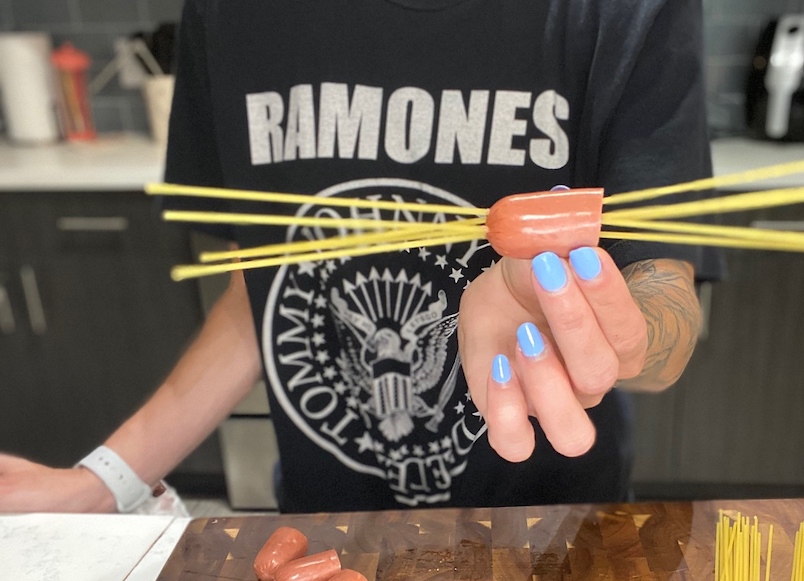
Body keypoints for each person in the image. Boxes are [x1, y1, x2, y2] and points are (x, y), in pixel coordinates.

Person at [0, 0, 718, 514]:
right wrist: (106, 481)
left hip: (557, 524)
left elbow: (665, 296)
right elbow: (262, 286)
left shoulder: (631, 13)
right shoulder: (232, 16)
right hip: (329, 527)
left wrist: (596, 327)